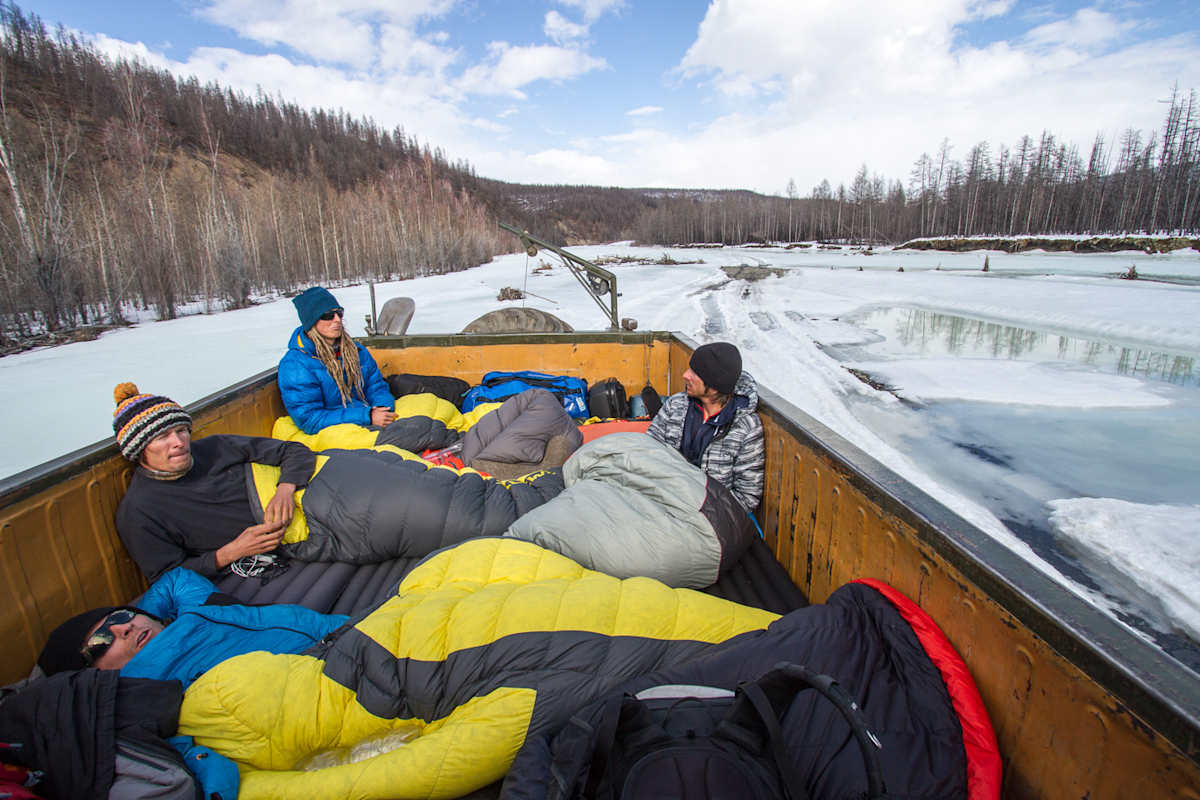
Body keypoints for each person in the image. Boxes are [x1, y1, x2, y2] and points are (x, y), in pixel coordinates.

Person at [36, 567, 347, 800]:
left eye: (120, 617)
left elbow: (175, 580)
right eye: (102, 641)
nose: (124, 629)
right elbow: (188, 761)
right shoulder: (142, 695)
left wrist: (148, 618)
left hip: (350, 629)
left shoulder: (199, 608)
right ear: (93, 675)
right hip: (322, 687)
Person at [112, 383, 317, 581]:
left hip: (313, 491)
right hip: (302, 535)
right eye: (163, 437)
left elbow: (293, 450)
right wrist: (229, 553)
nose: (179, 442)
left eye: (181, 430)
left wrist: (285, 489)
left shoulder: (215, 447)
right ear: (140, 450)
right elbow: (167, 577)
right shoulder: (139, 510)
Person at [646, 341, 764, 512]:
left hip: (708, 515)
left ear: (714, 385)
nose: (685, 375)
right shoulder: (676, 405)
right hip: (660, 499)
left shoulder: (746, 427)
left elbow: (747, 497)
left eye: (695, 372)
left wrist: (699, 511)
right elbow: (648, 450)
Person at [278, 286, 397, 434]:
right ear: (311, 321)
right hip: (339, 430)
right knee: (421, 432)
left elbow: (376, 386)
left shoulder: (355, 350)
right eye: (328, 316)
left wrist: (382, 408)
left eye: (339, 313)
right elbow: (310, 419)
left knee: (424, 421)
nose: (338, 320)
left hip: (369, 417)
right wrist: (366, 416)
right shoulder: (296, 365)